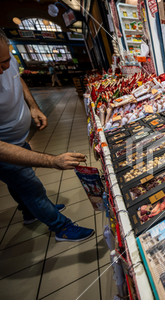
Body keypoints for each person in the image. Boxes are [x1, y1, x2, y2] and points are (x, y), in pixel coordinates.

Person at [0, 29, 94, 242]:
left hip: (19, 138)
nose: (4, 68)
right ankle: (61, 228)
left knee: (18, 183)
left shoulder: (8, 60)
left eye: (5, 60)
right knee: (30, 186)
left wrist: (32, 106)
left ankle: (30, 212)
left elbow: (17, 78)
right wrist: (53, 161)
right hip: (6, 146)